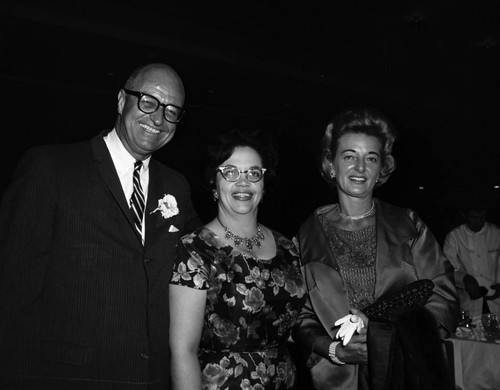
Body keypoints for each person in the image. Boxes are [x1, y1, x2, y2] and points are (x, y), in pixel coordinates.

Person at [0, 63, 201, 389]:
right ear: (122, 100)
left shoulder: (177, 186)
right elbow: (14, 295)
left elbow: (207, 253)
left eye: (172, 110)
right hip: (72, 376)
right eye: (148, 102)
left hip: (154, 379)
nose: (159, 118)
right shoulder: (51, 168)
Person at [292, 108, 459, 390]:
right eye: (349, 156)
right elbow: (298, 315)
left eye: (371, 158)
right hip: (338, 380)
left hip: (406, 374)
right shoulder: (307, 235)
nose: (360, 167)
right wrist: (335, 351)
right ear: (331, 164)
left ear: (381, 168)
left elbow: (444, 297)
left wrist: (391, 342)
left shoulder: (407, 224)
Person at [169, 128, 306, 390]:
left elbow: (296, 327)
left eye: (253, 173)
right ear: (213, 181)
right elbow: (183, 351)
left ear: (263, 184)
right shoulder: (194, 249)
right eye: (230, 172)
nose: (243, 182)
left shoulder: (287, 247)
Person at [443, 200, 500, 320]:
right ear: (464, 215)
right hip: (470, 302)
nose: (479, 222)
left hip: (496, 299)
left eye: (482, 217)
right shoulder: (454, 236)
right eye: (474, 218)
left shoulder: (496, 233)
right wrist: (464, 278)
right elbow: (448, 268)